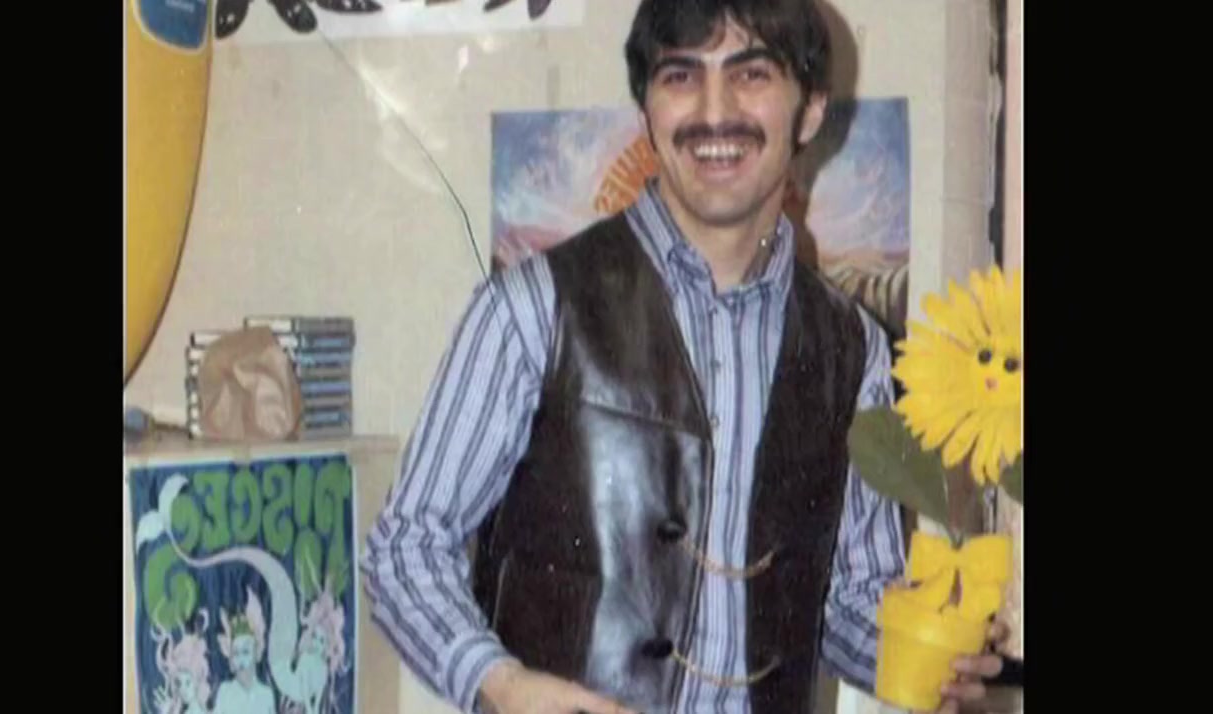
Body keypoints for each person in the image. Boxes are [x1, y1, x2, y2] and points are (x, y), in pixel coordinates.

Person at [361, 1, 1008, 712]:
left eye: (751, 74)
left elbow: (844, 600)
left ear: (812, 110)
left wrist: (935, 651)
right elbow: (403, 548)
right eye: (680, 76)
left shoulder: (854, 349)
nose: (714, 112)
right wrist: (500, 683)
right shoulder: (531, 308)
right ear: (647, 108)